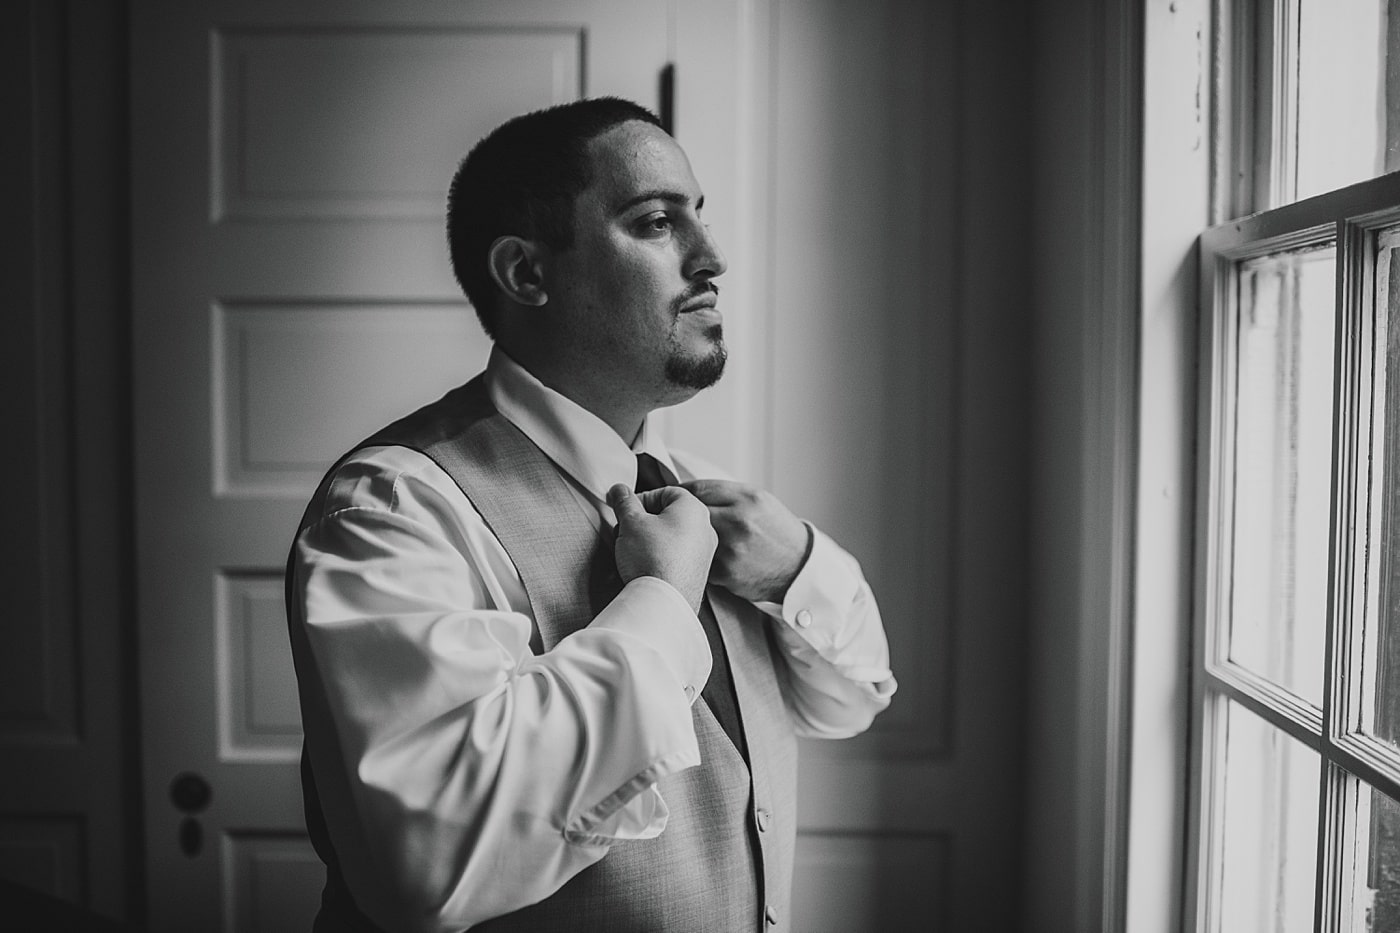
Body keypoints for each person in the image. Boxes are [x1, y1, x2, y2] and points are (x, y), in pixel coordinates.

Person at [286, 97, 896, 933]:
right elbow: (427, 867)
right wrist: (659, 601)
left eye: (699, 220)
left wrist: (794, 566)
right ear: (528, 273)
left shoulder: (702, 493)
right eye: (655, 222)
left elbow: (849, 697)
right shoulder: (396, 509)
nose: (711, 259)